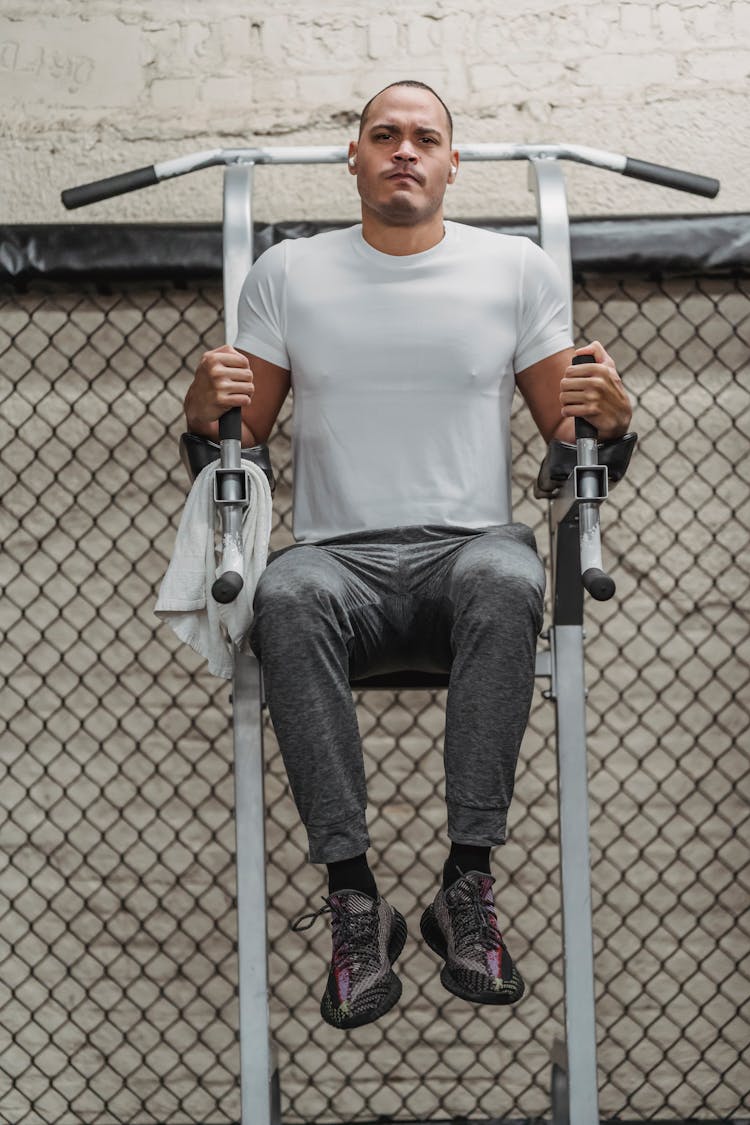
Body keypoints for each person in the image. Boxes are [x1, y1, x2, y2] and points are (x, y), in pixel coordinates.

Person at [184, 80, 632, 1030]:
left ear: (451, 163)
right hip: (337, 562)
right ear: (354, 158)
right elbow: (241, 437)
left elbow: (570, 433)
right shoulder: (290, 273)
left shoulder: (511, 269)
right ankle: (358, 905)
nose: (404, 150)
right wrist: (201, 415)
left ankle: (464, 894)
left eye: (425, 138)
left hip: (467, 551)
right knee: (287, 593)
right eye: (383, 135)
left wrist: (613, 427)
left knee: (512, 573)